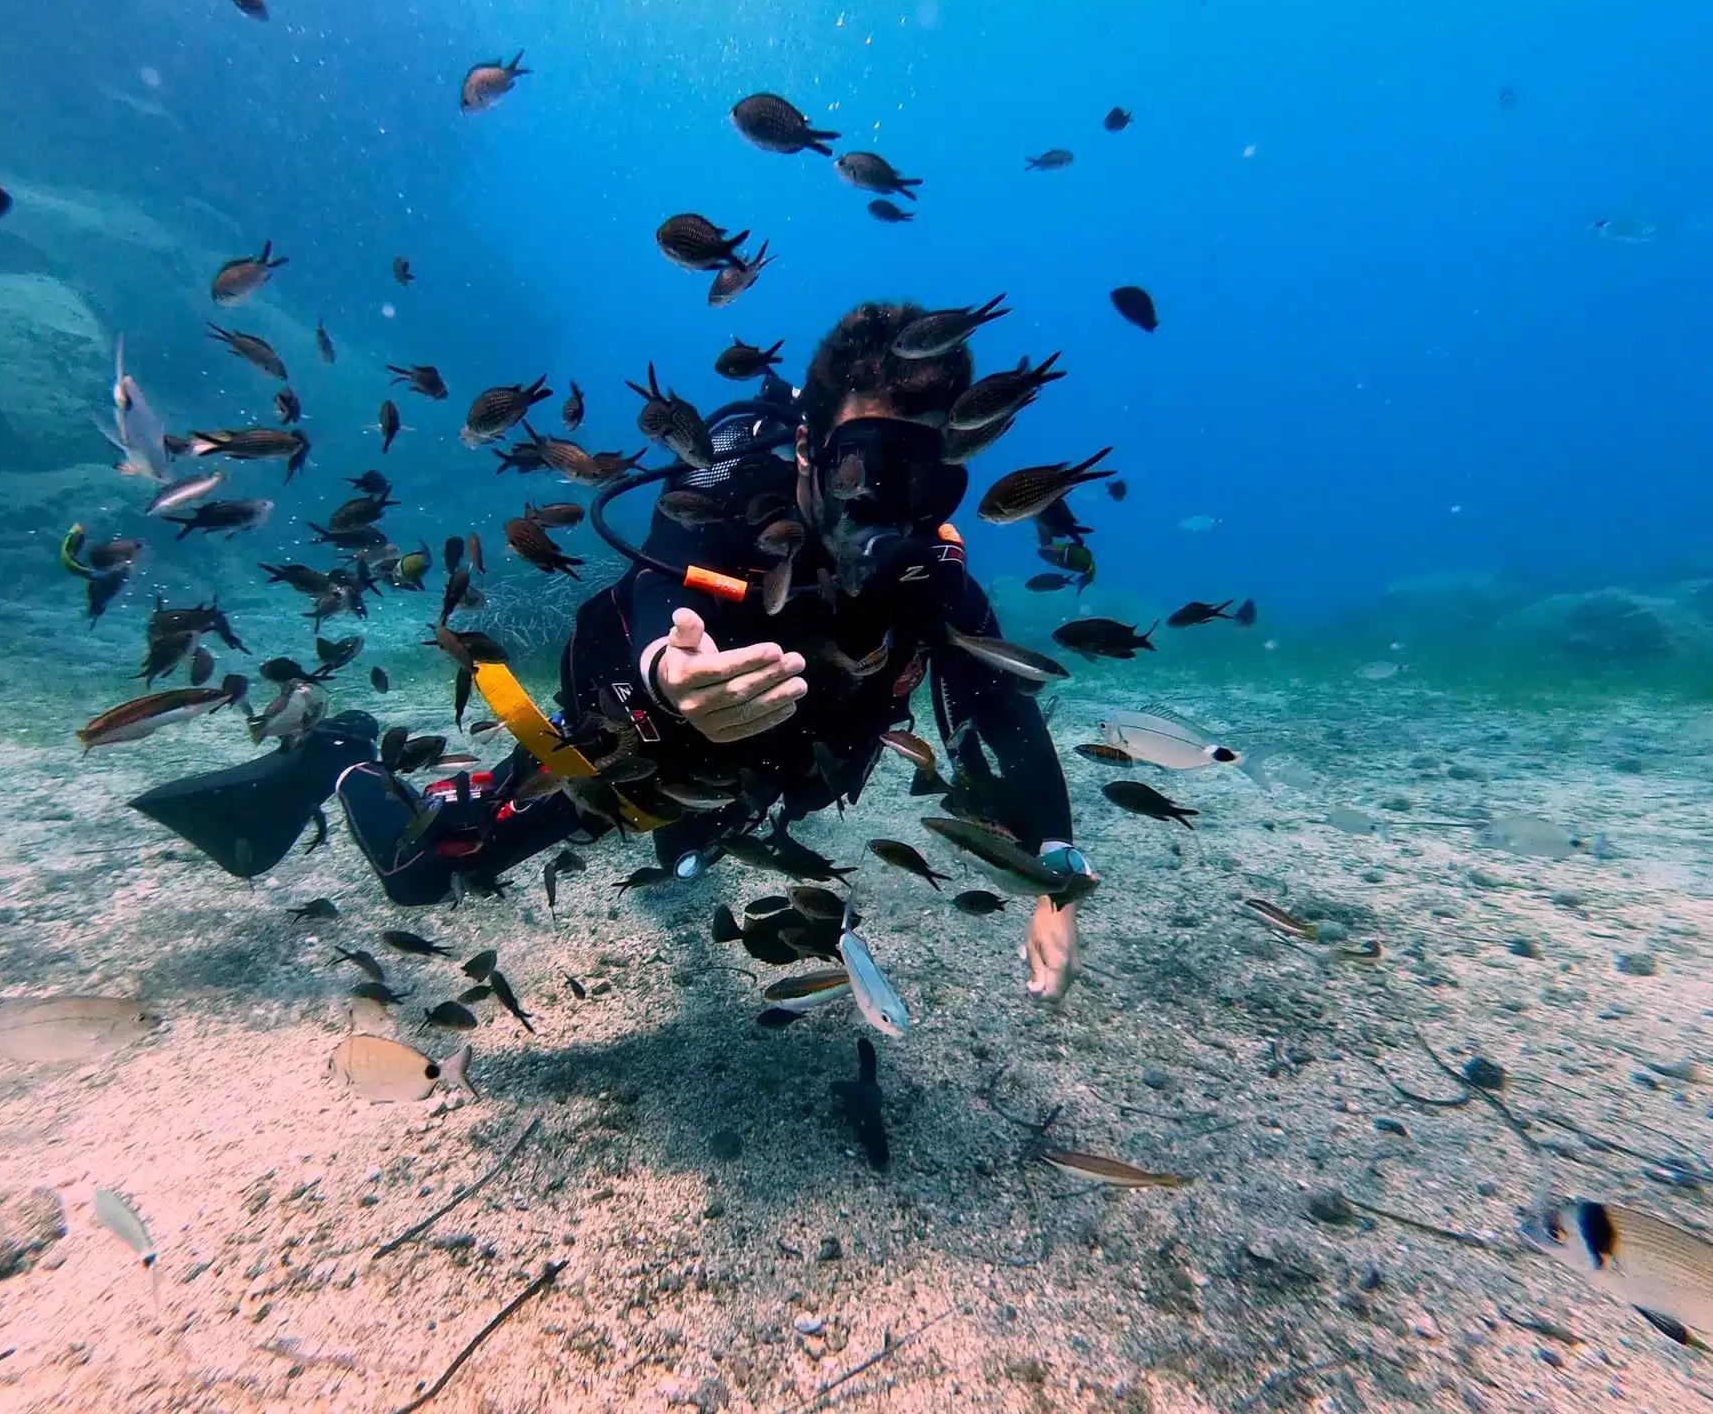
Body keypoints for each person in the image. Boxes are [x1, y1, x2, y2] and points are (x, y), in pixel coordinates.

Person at [139, 302, 1093, 1002]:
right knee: (426, 871)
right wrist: (670, 675)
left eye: (928, 478)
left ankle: (691, 829)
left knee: (688, 850)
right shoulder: (729, 492)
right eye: (864, 465)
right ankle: (339, 751)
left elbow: (997, 704)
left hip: (743, 779)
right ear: (806, 449)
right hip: (625, 741)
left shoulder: (933, 575)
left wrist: (1053, 860)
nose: (891, 504)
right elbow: (660, 580)